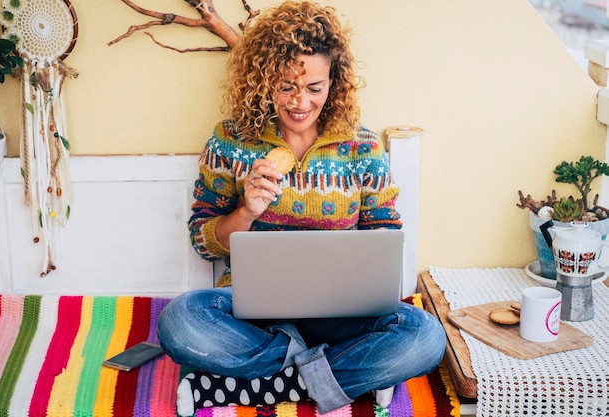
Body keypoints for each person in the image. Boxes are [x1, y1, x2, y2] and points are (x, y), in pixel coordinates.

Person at [158, 1, 446, 415]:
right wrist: (246, 212)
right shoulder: (231, 141)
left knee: (423, 336)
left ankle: (253, 386)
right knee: (180, 320)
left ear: (334, 83)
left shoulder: (361, 147)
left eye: (315, 87)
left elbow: (385, 234)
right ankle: (347, 376)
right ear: (263, 80)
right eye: (286, 86)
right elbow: (204, 241)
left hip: (343, 314)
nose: (300, 102)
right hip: (250, 314)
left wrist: (363, 272)